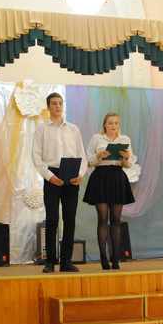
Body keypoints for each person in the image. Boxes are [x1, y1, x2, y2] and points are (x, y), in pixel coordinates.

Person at [32, 92, 87, 273]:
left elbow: (81, 155)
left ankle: (66, 262)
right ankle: (50, 262)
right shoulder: (41, 130)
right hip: (52, 175)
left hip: (71, 173)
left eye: (60, 103)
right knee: (52, 219)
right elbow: (36, 156)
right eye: (54, 103)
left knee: (70, 219)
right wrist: (48, 176)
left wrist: (80, 174)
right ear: (48, 107)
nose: (58, 106)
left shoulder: (73, 129)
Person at [83, 113, 135, 270]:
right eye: (110, 123)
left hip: (117, 177)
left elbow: (129, 164)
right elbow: (88, 161)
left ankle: (116, 257)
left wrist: (126, 157)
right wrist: (98, 155)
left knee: (116, 219)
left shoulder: (125, 139)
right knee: (102, 219)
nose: (113, 126)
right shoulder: (97, 138)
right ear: (105, 124)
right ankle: (103, 256)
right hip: (101, 177)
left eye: (116, 123)